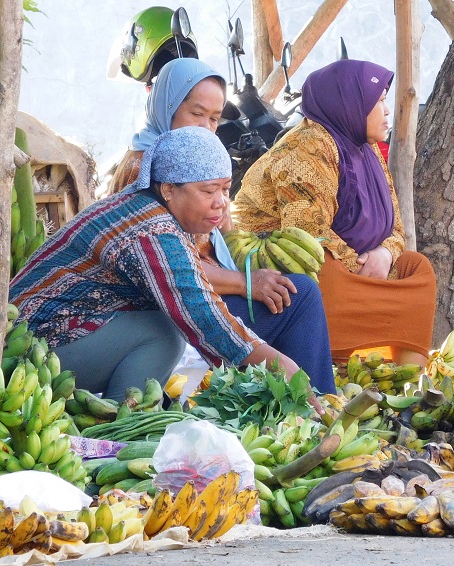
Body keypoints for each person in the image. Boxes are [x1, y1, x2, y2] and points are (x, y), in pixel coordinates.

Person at [10, 127, 328, 410]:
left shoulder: (149, 209)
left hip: (72, 331)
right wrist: (287, 370)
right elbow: (206, 319)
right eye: (208, 191)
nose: (220, 202)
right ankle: (124, 429)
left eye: (226, 189)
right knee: (164, 334)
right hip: (27, 349)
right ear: (168, 189)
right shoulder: (152, 232)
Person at [107, 57, 334, 393]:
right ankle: (315, 405)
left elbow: (201, 245)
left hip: (199, 290)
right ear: (166, 107)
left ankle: (299, 406)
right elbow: (169, 268)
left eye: (214, 119)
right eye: (196, 114)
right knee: (299, 298)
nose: (206, 128)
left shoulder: (188, 160)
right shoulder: (147, 167)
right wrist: (246, 282)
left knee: (294, 290)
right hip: (168, 309)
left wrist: (224, 229)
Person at [233, 59, 436, 365]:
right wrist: (363, 266)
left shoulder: (366, 151)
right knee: (323, 267)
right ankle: (344, 359)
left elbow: (396, 225)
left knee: (417, 268)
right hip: (281, 259)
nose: (387, 111)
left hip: (359, 262)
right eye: (378, 102)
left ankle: (406, 378)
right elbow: (306, 234)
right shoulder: (307, 148)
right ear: (350, 103)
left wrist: (385, 255)